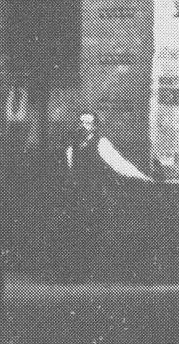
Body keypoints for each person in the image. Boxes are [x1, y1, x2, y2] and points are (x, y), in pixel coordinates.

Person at [49, 109, 150, 283]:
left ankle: (88, 273)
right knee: (74, 233)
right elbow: (70, 170)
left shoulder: (101, 143)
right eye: (81, 122)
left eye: (88, 123)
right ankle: (75, 273)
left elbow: (119, 164)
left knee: (92, 233)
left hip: (95, 197)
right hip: (76, 196)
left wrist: (142, 177)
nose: (84, 126)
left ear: (95, 126)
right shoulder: (71, 147)